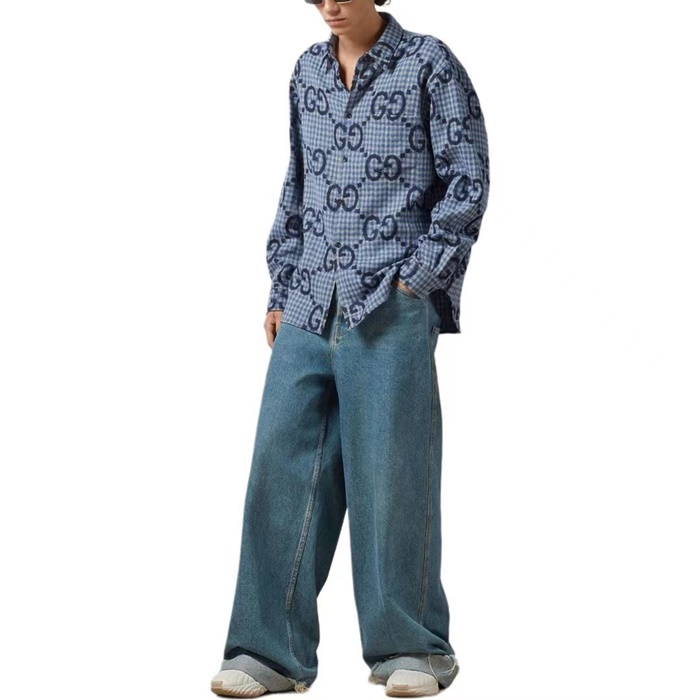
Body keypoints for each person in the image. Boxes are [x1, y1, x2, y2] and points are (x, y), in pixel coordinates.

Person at [211, 0, 489, 696]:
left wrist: (417, 280)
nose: (330, 6)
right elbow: (297, 186)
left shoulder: (428, 64)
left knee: (391, 478)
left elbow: (468, 178)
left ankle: (413, 649)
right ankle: (267, 653)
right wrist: (280, 287)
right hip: (308, 300)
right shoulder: (306, 71)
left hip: (389, 304)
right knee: (278, 471)